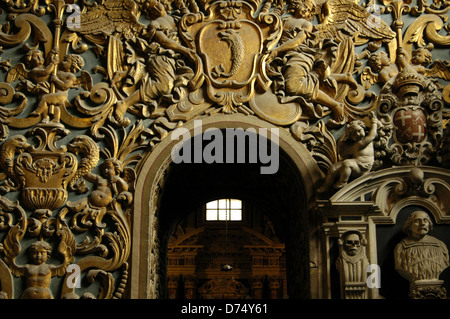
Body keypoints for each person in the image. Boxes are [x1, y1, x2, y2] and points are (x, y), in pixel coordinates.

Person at [317, 112, 377, 192]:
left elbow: (372, 135)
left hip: (363, 168)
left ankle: (342, 182)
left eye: (359, 130)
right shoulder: (355, 145)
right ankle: (325, 186)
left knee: (347, 163)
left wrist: (374, 122)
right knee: (333, 168)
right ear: (351, 138)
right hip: (356, 162)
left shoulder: (363, 142)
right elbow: (342, 153)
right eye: (354, 134)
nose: (358, 134)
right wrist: (345, 139)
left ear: (363, 128)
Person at [394, 210, 449, 282]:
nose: (422, 223)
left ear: (429, 225)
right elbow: (400, 267)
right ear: (409, 226)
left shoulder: (440, 245)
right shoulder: (402, 247)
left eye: (425, 220)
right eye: (417, 221)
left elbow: (446, 265)